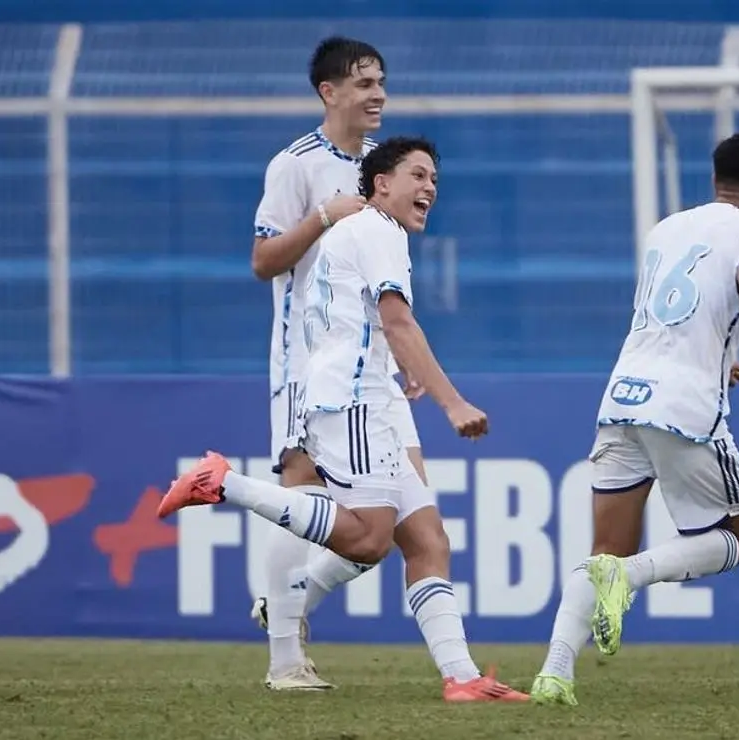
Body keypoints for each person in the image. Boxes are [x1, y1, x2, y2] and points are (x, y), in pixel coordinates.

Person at [162, 136, 528, 703]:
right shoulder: (378, 229)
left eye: (435, 179)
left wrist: (396, 365)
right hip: (353, 402)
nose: (430, 187)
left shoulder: (362, 233)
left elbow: (368, 325)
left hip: (365, 394)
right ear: (381, 183)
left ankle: (462, 677)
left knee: (427, 540)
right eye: (418, 175)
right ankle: (223, 483)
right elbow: (398, 321)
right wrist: (451, 401)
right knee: (368, 541)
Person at [529, 133, 739, 706]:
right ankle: (627, 580)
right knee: (735, 536)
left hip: (622, 397)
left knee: (606, 547)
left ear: (713, 180)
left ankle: (555, 674)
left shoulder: (667, 227)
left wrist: (721, 357)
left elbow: (668, 310)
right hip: (684, 407)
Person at [247, 36, 437, 692]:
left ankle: (290, 603)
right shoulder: (296, 166)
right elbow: (263, 260)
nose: (377, 93)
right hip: (309, 364)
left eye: (381, 80)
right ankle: (283, 660)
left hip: (375, 372)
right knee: (303, 491)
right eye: (363, 83)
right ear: (330, 93)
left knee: (396, 518)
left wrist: (403, 357)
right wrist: (326, 215)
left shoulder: (384, 171)